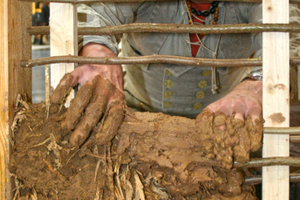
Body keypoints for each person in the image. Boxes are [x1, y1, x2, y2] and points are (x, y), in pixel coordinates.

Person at [52, 0, 300, 147]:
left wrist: (258, 83)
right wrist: (97, 50)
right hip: (133, 119)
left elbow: (286, 33)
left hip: (224, 131)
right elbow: (98, 10)